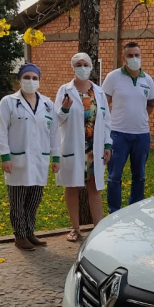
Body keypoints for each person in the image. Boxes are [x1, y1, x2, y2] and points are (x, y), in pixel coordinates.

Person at [0, 63, 60, 251]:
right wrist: (4, 156)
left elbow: (54, 133)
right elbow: (0, 130)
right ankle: (20, 236)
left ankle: (30, 232)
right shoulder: (8, 102)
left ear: (39, 80)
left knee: (34, 199)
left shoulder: (48, 104)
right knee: (18, 200)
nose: (31, 81)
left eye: (34, 78)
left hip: (40, 159)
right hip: (17, 160)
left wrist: (56, 158)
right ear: (19, 80)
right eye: (27, 77)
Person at [55, 53, 112, 242]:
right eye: (78, 64)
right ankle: (75, 229)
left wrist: (107, 144)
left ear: (91, 67)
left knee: (94, 188)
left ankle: (98, 229)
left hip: (93, 149)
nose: (82, 68)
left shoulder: (99, 92)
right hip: (73, 147)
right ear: (73, 67)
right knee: (72, 187)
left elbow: (106, 121)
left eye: (85, 64)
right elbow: (56, 120)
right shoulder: (65, 90)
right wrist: (64, 109)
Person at [103, 42, 154, 212]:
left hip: (141, 135)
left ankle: (134, 211)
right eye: (130, 55)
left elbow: (151, 104)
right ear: (123, 58)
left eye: (137, 55)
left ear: (141, 56)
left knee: (139, 176)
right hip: (118, 135)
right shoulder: (113, 77)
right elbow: (104, 104)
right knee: (114, 177)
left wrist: (141, 117)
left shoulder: (148, 80)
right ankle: (114, 212)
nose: (134, 58)